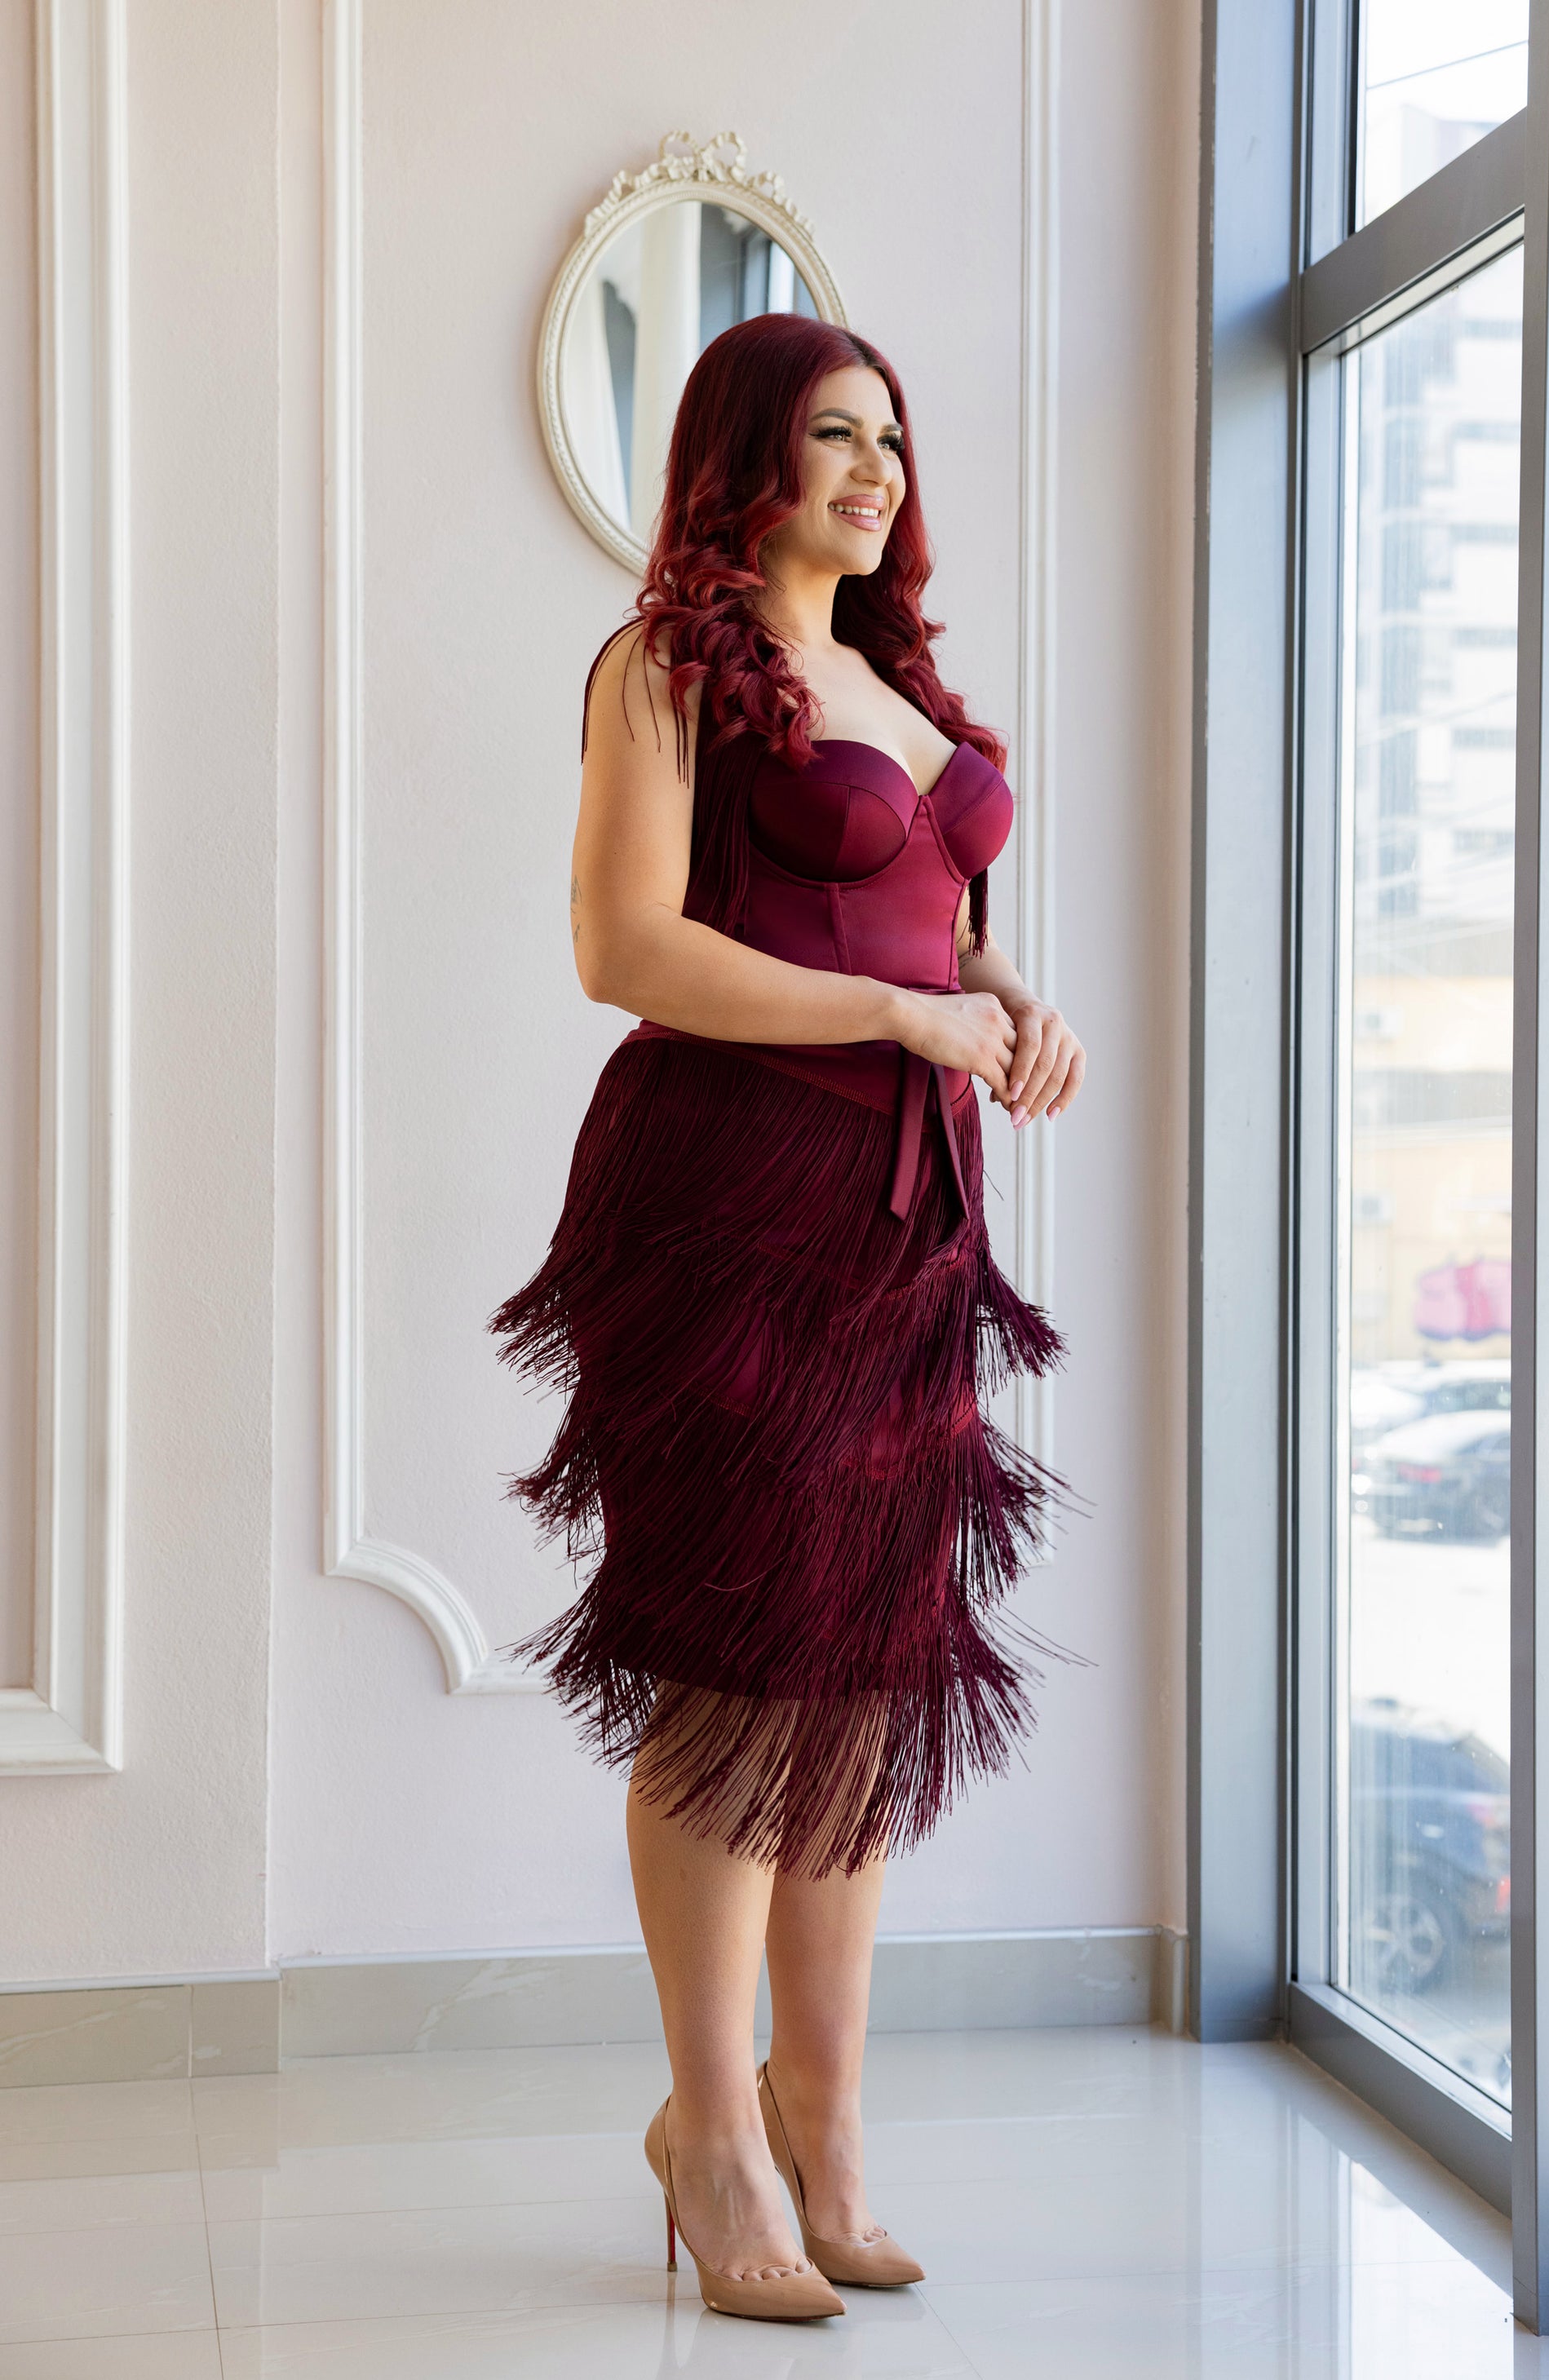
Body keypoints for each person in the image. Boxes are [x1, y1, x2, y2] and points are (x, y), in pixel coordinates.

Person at [491, 313, 1086, 2322]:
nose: (876, 469)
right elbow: (623, 947)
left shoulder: (894, 684)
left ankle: (820, 2125)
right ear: (742, 458)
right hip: (731, 1197)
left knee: (861, 1670)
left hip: (911, 1217)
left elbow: (936, 926)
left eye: (891, 439)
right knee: (741, 1665)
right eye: (834, 435)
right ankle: (711, 2131)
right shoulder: (663, 663)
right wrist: (902, 1013)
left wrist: (1005, 999)